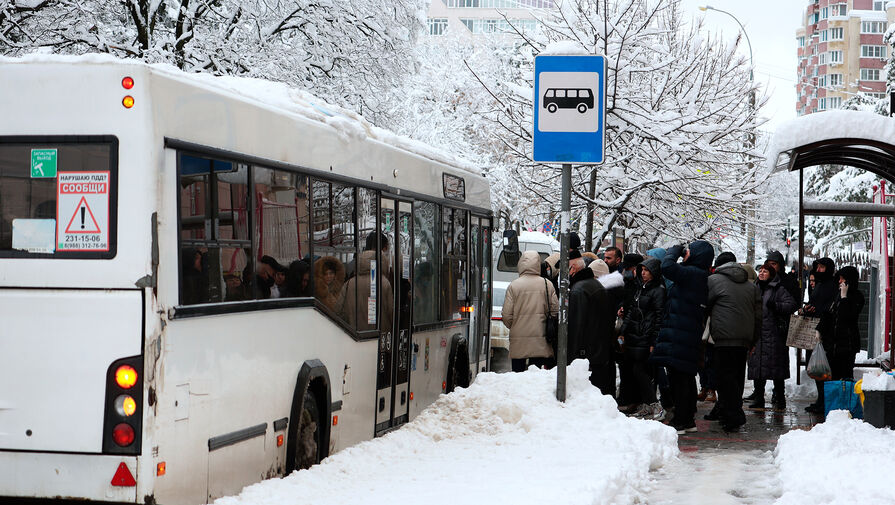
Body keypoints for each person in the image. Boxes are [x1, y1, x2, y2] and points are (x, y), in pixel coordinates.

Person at [649, 241, 714, 434]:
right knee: (682, 376)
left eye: (689, 252)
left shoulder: (695, 274)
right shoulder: (695, 274)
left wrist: (673, 251)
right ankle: (686, 419)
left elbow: (667, 267)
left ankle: (682, 420)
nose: (686, 255)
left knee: (680, 378)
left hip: (682, 333)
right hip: (682, 331)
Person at [704, 252, 761, 431]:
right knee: (736, 377)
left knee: (724, 378)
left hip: (722, 337)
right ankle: (730, 412)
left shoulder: (713, 281)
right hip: (743, 339)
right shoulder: (751, 286)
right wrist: (753, 340)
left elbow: (704, 306)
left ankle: (733, 415)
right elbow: (759, 316)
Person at [747, 263, 798, 410]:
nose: (762, 273)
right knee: (758, 367)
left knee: (777, 368)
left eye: (765, 271)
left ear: (771, 274)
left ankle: (780, 398)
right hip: (757, 334)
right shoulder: (754, 288)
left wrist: (776, 305)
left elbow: (791, 305)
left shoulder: (778, 288)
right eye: (760, 271)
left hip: (774, 335)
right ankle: (758, 398)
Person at [618, 257, 665, 418]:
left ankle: (654, 405)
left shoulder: (658, 290)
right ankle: (647, 404)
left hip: (645, 335)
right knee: (637, 370)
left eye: (647, 270)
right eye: (642, 270)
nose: (643, 273)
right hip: (635, 335)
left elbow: (659, 317)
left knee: (640, 370)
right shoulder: (641, 288)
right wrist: (623, 331)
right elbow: (632, 312)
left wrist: (654, 340)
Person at [816, 266, 864, 412]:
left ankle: (845, 407)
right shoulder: (837, 295)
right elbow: (829, 314)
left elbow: (847, 317)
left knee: (845, 377)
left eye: (843, 279)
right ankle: (831, 406)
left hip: (847, 345)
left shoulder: (857, 297)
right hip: (833, 344)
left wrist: (844, 298)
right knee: (832, 377)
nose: (840, 281)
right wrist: (819, 329)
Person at [501, 250, 558, 372]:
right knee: (535, 375)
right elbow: (554, 311)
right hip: (540, 338)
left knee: (517, 373)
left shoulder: (514, 286)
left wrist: (515, 325)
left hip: (518, 339)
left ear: (521, 264)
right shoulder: (547, 284)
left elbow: (506, 315)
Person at [568, 252, 616, 394]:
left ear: (574, 269)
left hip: (586, 353)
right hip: (598, 351)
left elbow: (576, 326)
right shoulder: (594, 286)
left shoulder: (578, 290)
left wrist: (572, 357)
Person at [799, 257, 838, 413]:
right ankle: (820, 399)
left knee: (824, 368)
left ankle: (824, 401)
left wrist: (818, 311)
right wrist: (809, 309)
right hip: (815, 331)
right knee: (816, 367)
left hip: (826, 333)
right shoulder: (819, 285)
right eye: (818, 267)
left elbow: (830, 308)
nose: (819, 270)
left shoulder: (832, 285)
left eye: (822, 267)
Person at [336, 249, 392, 331]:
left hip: (354, 334)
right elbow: (391, 311)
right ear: (381, 263)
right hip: (379, 334)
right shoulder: (384, 283)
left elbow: (339, 309)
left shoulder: (349, 283)